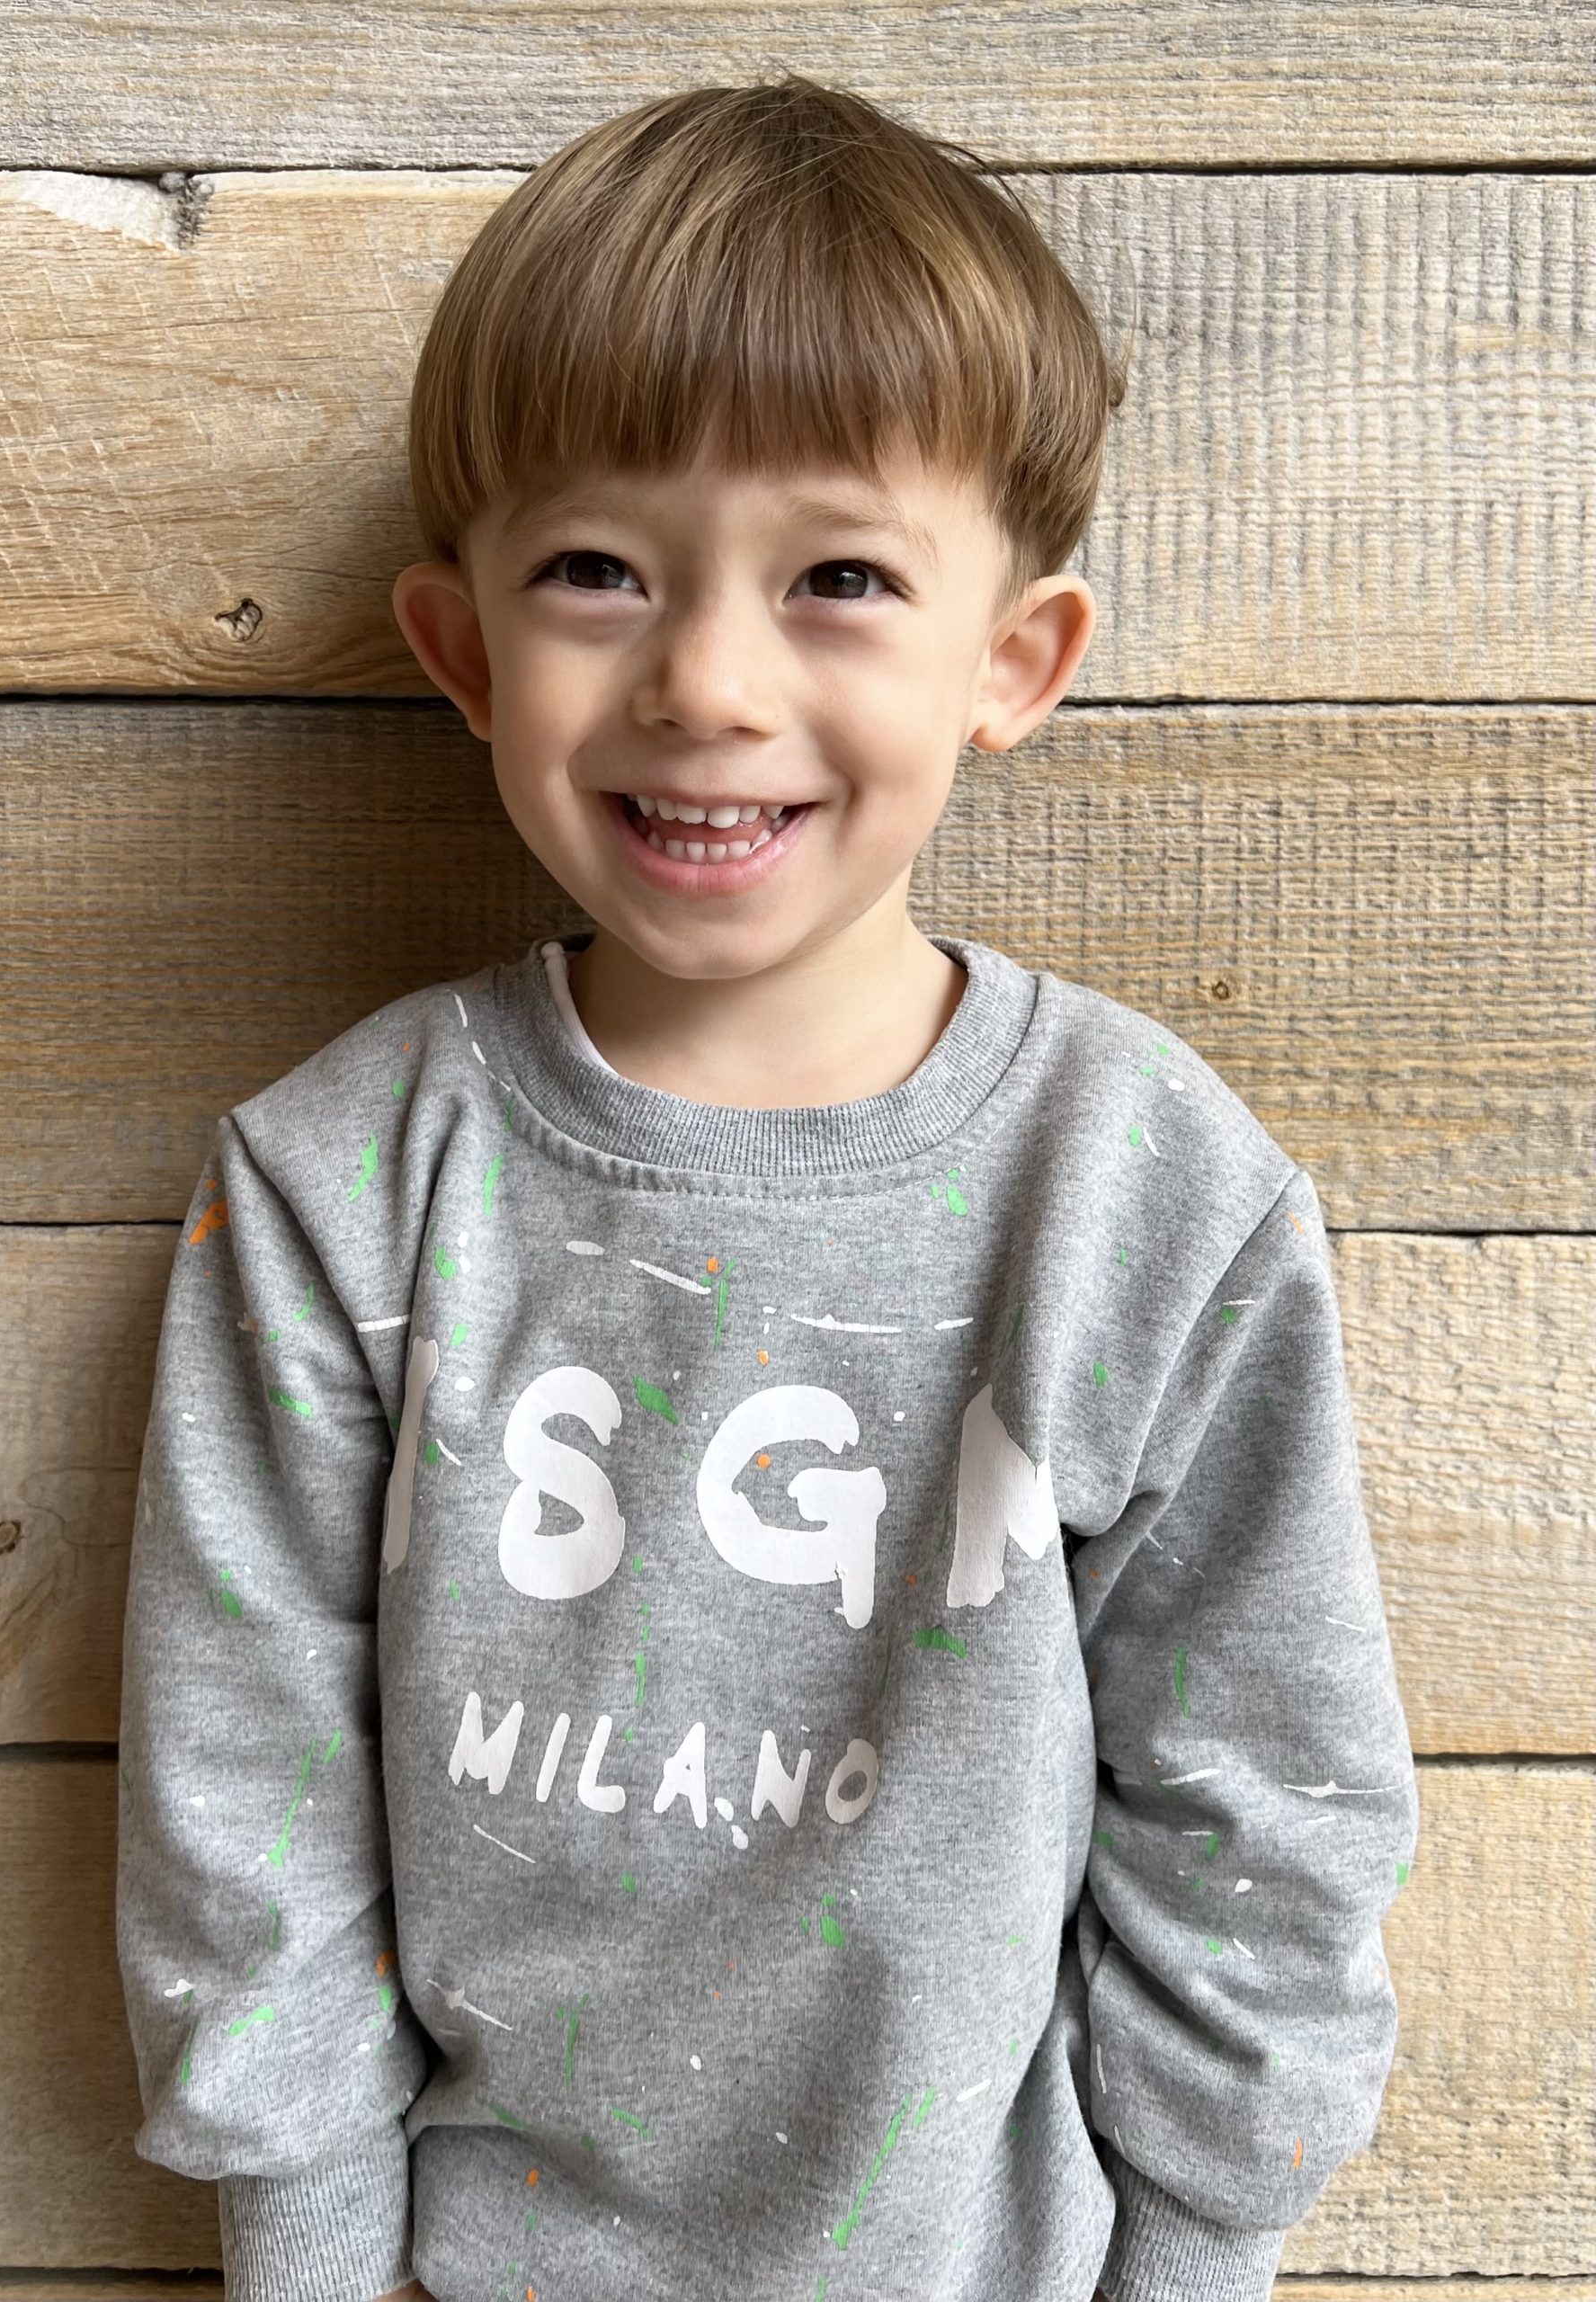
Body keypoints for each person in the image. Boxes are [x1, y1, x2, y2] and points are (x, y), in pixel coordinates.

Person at [113, 72, 1419, 2302]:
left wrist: (1202, 2253)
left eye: (839, 579)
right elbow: (245, 1801)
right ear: (465, 651)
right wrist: (314, 2258)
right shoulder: (338, 1184)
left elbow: (1267, 1796)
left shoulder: (1147, 1196)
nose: (707, 681)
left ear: (1011, 662)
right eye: (596, 571)